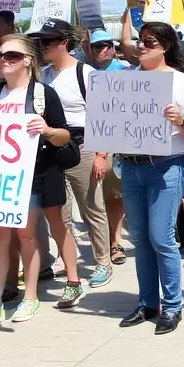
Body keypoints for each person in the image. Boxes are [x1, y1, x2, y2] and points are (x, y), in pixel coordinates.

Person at [0, 34, 81, 329]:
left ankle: (40, 292)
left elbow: (65, 136)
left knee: (36, 231)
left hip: (38, 172)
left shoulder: (43, 94)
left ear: (28, 61)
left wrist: (46, 129)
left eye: (12, 56)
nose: (3, 61)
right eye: (0, 56)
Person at [117, 22, 184, 335]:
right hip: (131, 165)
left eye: (149, 42)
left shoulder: (179, 82)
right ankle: (147, 303)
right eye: (140, 41)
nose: (142, 46)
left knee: (161, 237)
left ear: (165, 47)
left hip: (165, 165)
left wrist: (179, 120)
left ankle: (172, 306)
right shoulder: (126, 79)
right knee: (140, 237)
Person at [29, 19, 114, 290]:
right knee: (58, 210)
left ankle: (103, 261)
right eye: (40, 42)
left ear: (64, 43)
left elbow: (102, 114)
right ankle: (68, 257)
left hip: (84, 145)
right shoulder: (43, 74)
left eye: (48, 41)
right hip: (52, 147)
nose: (42, 47)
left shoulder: (85, 73)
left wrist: (102, 153)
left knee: (92, 207)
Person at [84, 29, 130, 265]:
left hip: (114, 142)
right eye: (96, 46)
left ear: (113, 48)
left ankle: (115, 241)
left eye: (105, 45)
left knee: (113, 196)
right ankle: (101, 243)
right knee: (91, 198)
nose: (101, 50)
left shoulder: (125, 71)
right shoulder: (83, 71)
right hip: (87, 140)